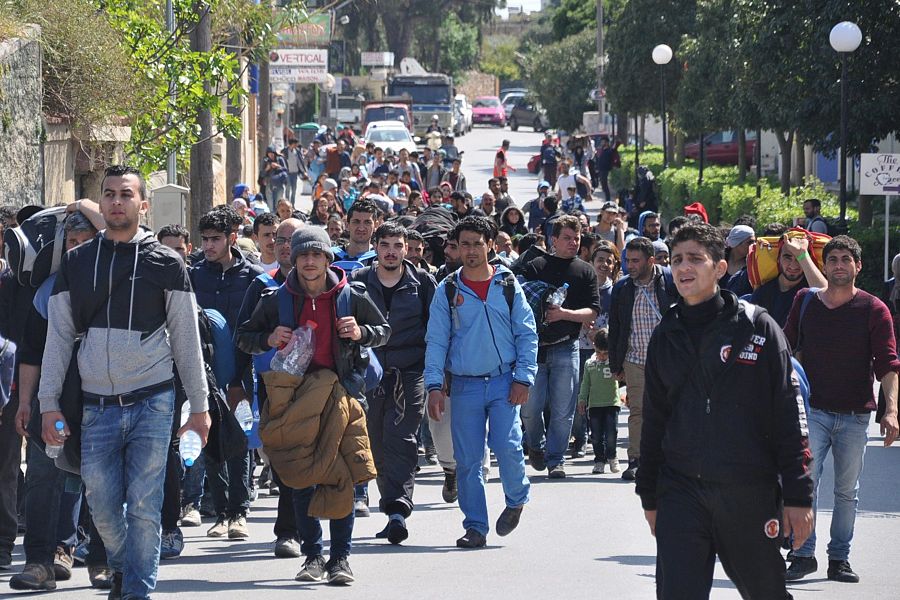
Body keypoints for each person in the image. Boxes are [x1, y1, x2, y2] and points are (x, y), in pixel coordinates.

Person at [38, 165, 210, 599]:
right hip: (95, 406)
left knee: (146, 508)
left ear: (142, 204)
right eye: (109, 194)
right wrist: (47, 404)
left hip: (153, 401)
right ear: (102, 202)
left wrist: (200, 410)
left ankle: (135, 590)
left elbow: (187, 342)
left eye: (126, 194)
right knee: (102, 506)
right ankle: (122, 566)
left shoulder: (167, 263)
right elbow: (57, 338)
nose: (117, 201)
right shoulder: (76, 263)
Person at [637, 222, 814, 599]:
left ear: (719, 268)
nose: (684, 268)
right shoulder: (664, 334)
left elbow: (789, 414)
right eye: (678, 259)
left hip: (748, 491)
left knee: (767, 593)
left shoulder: (757, 326)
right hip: (680, 492)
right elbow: (654, 421)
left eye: (695, 259)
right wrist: (649, 496)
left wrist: (799, 496)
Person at [236, 226, 390, 585]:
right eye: (303, 255)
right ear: (294, 259)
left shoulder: (351, 295)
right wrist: (269, 337)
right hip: (294, 399)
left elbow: (383, 330)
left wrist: (361, 333)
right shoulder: (277, 298)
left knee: (343, 479)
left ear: (326, 259)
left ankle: (341, 560)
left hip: (341, 395)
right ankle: (313, 557)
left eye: (316, 255)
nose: (309, 262)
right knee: (301, 481)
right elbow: (244, 337)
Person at [783, 235, 899, 584]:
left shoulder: (874, 309)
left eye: (845, 259)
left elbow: (888, 364)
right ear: (825, 264)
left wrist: (890, 410)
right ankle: (803, 555)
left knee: (847, 492)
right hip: (812, 411)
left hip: (854, 416)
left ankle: (839, 559)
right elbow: (782, 349)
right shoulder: (805, 301)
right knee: (807, 484)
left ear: (857, 266)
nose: (838, 265)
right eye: (832, 259)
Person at [425, 216, 537, 548]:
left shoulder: (507, 284)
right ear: (456, 248)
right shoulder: (446, 289)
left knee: (507, 445)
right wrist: (434, 385)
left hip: (505, 382)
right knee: (468, 459)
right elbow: (436, 341)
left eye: (477, 243)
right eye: (465, 244)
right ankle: (475, 526)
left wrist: (523, 378)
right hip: (464, 385)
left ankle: (516, 498)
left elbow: (527, 334)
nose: (471, 251)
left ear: (490, 244)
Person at [9, 209, 105, 592]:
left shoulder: (117, 282)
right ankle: (39, 563)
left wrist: (84, 202)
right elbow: (31, 353)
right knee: (43, 478)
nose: (77, 250)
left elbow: (131, 234)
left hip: (103, 401)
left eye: (86, 243)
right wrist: (26, 404)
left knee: (101, 481)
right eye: (71, 243)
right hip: (53, 403)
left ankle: (102, 561)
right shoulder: (47, 292)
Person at [349, 223, 437, 544]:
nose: (391, 251)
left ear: (406, 248)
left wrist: (439, 373)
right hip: (369, 374)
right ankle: (392, 507)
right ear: (375, 246)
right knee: (376, 440)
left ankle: (399, 506)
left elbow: (437, 330)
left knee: (402, 435)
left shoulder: (423, 283)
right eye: (384, 245)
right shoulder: (358, 282)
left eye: (397, 245)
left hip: (410, 372)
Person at [190, 209, 265, 540]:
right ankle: (220, 512)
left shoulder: (253, 277)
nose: (208, 246)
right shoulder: (193, 276)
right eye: (204, 239)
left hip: (242, 373)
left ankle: (239, 512)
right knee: (212, 443)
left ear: (232, 239)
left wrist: (242, 378)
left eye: (215, 239)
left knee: (240, 440)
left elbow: (258, 328)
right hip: (204, 375)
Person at [235, 218, 304, 558]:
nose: (285, 245)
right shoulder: (262, 287)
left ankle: (323, 538)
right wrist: (267, 338)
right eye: (280, 239)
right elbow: (242, 338)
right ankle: (290, 532)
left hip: (322, 386)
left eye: (293, 239)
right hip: (274, 389)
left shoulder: (334, 285)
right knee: (287, 459)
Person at [521, 215, 601, 479]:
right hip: (534, 349)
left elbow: (592, 312)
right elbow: (516, 298)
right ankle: (535, 446)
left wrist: (564, 314)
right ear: (553, 240)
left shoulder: (585, 271)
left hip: (567, 347)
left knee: (563, 409)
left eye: (576, 238)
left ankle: (556, 460)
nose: (573, 243)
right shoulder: (535, 265)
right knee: (530, 409)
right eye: (567, 238)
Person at [608, 236, 678, 481]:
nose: (630, 266)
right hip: (635, 359)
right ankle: (636, 459)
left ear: (650, 260)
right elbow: (616, 327)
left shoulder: (670, 280)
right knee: (638, 410)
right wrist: (615, 364)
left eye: (636, 261)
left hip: (668, 360)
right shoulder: (623, 288)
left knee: (669, 410)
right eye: (627, 261)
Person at [748, 234, 827, 327]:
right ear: (778, 259)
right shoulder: (763, 293)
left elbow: (826, 296)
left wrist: (802, 254)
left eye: (798, 258)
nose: (793, 265)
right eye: (787, 257)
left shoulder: (811, 290)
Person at [577, 329, 621, 474]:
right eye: (599, 352)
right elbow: (585, 383)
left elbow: (623, 379)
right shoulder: (590, 364)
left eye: (606, 353)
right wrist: (582, 399)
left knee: (611, 433)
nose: (602, 357)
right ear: (594, 346)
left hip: (611, 404)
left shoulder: (615, 364)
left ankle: (612, 456)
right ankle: (599, 460)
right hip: (594, 405)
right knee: (596, 435)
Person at [721, 224, 754, 297]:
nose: (753, 246)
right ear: (736, 243)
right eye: (749, 242)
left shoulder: (752, 266)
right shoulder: (718, 260)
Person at [283, 138, 308, 204]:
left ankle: (292, 204)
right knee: (288, 189)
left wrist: (303, 171)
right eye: (295, 144)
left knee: (294, 189)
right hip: (287, 173)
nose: (296, 145)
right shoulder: (285, 151)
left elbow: (300, 162)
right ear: (292, 144)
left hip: (295, 173)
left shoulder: (297, 151)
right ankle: (287, 203)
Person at [593, 137, 615, 202]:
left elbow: (610, 161)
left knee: (606, 186)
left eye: (603, 141)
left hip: (606, 171)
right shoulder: (603, 150)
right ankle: (607, 200)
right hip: (602, 170)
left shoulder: (609, 151)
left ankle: (608, 200)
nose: (602, 143)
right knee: (604, 186)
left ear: (607, 142)